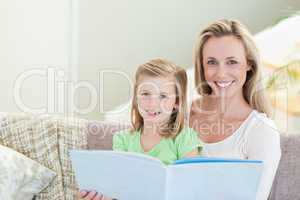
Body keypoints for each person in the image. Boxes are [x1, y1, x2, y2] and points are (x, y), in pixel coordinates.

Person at [79, 58, 202, 200]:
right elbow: (118, 187)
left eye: (163, 96)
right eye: (145, 94)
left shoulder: (185, 138)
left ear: (177, 102)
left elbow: (191, 187)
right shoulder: (123, 139)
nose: (152, 103)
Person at [189, 19, 281, 200]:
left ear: (249, 64)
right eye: (212, 62)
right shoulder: (186, 113)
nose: (221, 73)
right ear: (202, 66)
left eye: (231, 62)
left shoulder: (261, 131)